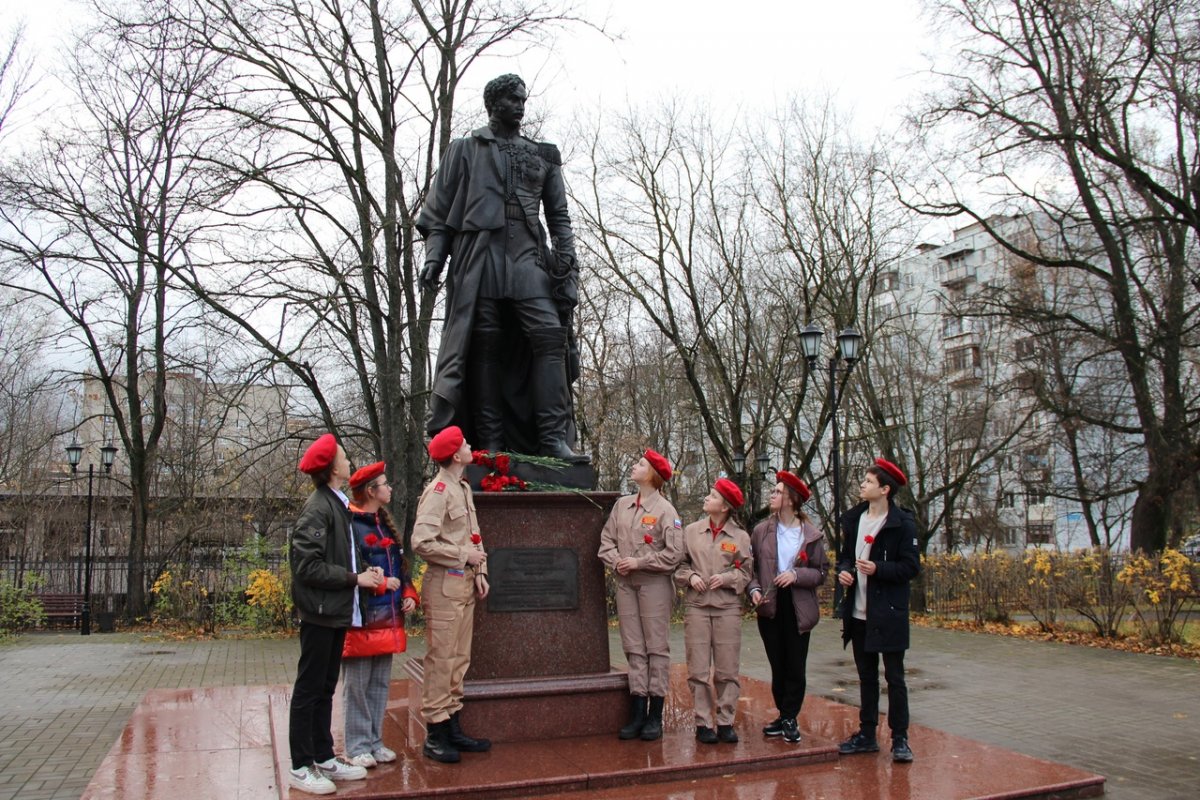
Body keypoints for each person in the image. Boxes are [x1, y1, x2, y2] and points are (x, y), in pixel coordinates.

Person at [416, 73, 588, 462]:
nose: (520, 106)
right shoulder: (464, 149)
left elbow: (559, 217)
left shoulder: (544, 154)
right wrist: (433, 257)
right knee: (485, 344)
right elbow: (440, 212)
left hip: (528, 256)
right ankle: (490, 444)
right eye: (513, 99)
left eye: (523, 99)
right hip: (480, 255)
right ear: (493, 103)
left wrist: (567, 265)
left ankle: (552, 440)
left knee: (549, 335)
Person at [287, 433, 384, 795]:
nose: (348, 460)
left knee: (326, 687)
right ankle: (300, 764)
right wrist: (353, 579)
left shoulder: (335, 503)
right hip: (319, 612)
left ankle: (323, 755)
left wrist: (363, 576)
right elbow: (307, 567)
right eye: (343, 457)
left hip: (335, 610)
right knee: (310, 688)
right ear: (331, 469)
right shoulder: (318, 507)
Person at [411, 425, 492, 764]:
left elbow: (472, 535)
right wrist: (464, 558)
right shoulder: (440, 490)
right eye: (466, 443)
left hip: (464, 584)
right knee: (441, 660)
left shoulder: (462, 487)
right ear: (456, 455)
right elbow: (421, 542)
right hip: (444, 586)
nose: (471, 445)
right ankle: (436, 734)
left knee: (459, 660)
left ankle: (453, 726)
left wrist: (481, 572)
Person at [835, 457, 921, 764]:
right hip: (857, 612)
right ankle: (867, 734)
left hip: (888, 613)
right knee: (866, 676)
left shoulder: (902, 523)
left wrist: (878, 569)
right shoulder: (855, 519)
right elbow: (844, 557)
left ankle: (900, 739)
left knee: (894, 678)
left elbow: (911, 567)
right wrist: (844, 571)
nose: (863, 485)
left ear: (885, 489)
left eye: (869, 482)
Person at [597, 449, 684, 741]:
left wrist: (640, 562)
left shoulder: (666, 511)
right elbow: (605, 541)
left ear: (653, 475)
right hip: (626, 584)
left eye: (641, 464)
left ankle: (654, 715)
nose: (634, 466)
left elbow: (673, 555)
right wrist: (616, 560)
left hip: (654, 585)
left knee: (655, 649)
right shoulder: (622, 506)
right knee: (633, 647)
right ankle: (637, 711)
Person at [341, 462, 419, 769]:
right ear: (371, 491)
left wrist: (409, 594)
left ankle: (373, 742)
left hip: (387, 618)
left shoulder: (383, 523)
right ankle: (356, 744)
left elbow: (399, 566)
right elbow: (351, 571)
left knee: (378, 684)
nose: (390, 488)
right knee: (357, 685)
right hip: (362, 619)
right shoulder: (350, 524)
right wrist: (380, 583)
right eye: (385, 484)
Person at [747, 471, 830, 745]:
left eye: (778, 491)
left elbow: (820, 572)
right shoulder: (761, 530)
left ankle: (790, 716)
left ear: (792, 499)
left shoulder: (811, 534)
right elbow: (752, 568)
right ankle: (783, 714)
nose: (772, 495)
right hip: (770, 604)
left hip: (798, 605)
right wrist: (754, 590)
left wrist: (796, 575)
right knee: (777, 663)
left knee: (796, 663)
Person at [674, 478, 752, 745]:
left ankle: (726, 721)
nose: (707, 498)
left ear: (726, 506)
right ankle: (703, 722)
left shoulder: (740, 537)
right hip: (696, 607)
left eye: (713, 495)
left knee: (727, 669)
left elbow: (746, 571)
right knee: (697, 669)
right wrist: (691, 576)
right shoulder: (691, 531)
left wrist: (728, 578)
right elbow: (679, 565)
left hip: (727, 609)